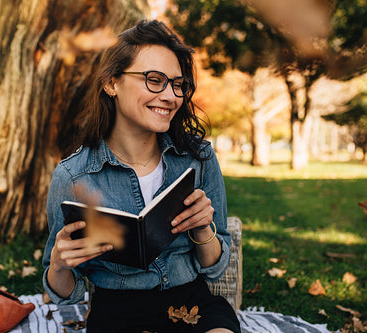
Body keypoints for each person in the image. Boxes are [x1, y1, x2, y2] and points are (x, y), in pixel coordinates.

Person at [42, 19, 241, 333]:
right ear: (112, 83)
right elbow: (65, 293)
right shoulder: (73, 175)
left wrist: (203, 229)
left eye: (178, 84)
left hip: (192, 302)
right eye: (154, 79)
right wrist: (59, 263)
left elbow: (215, 267)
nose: (171, 96)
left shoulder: (198, 158)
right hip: (118, 311)